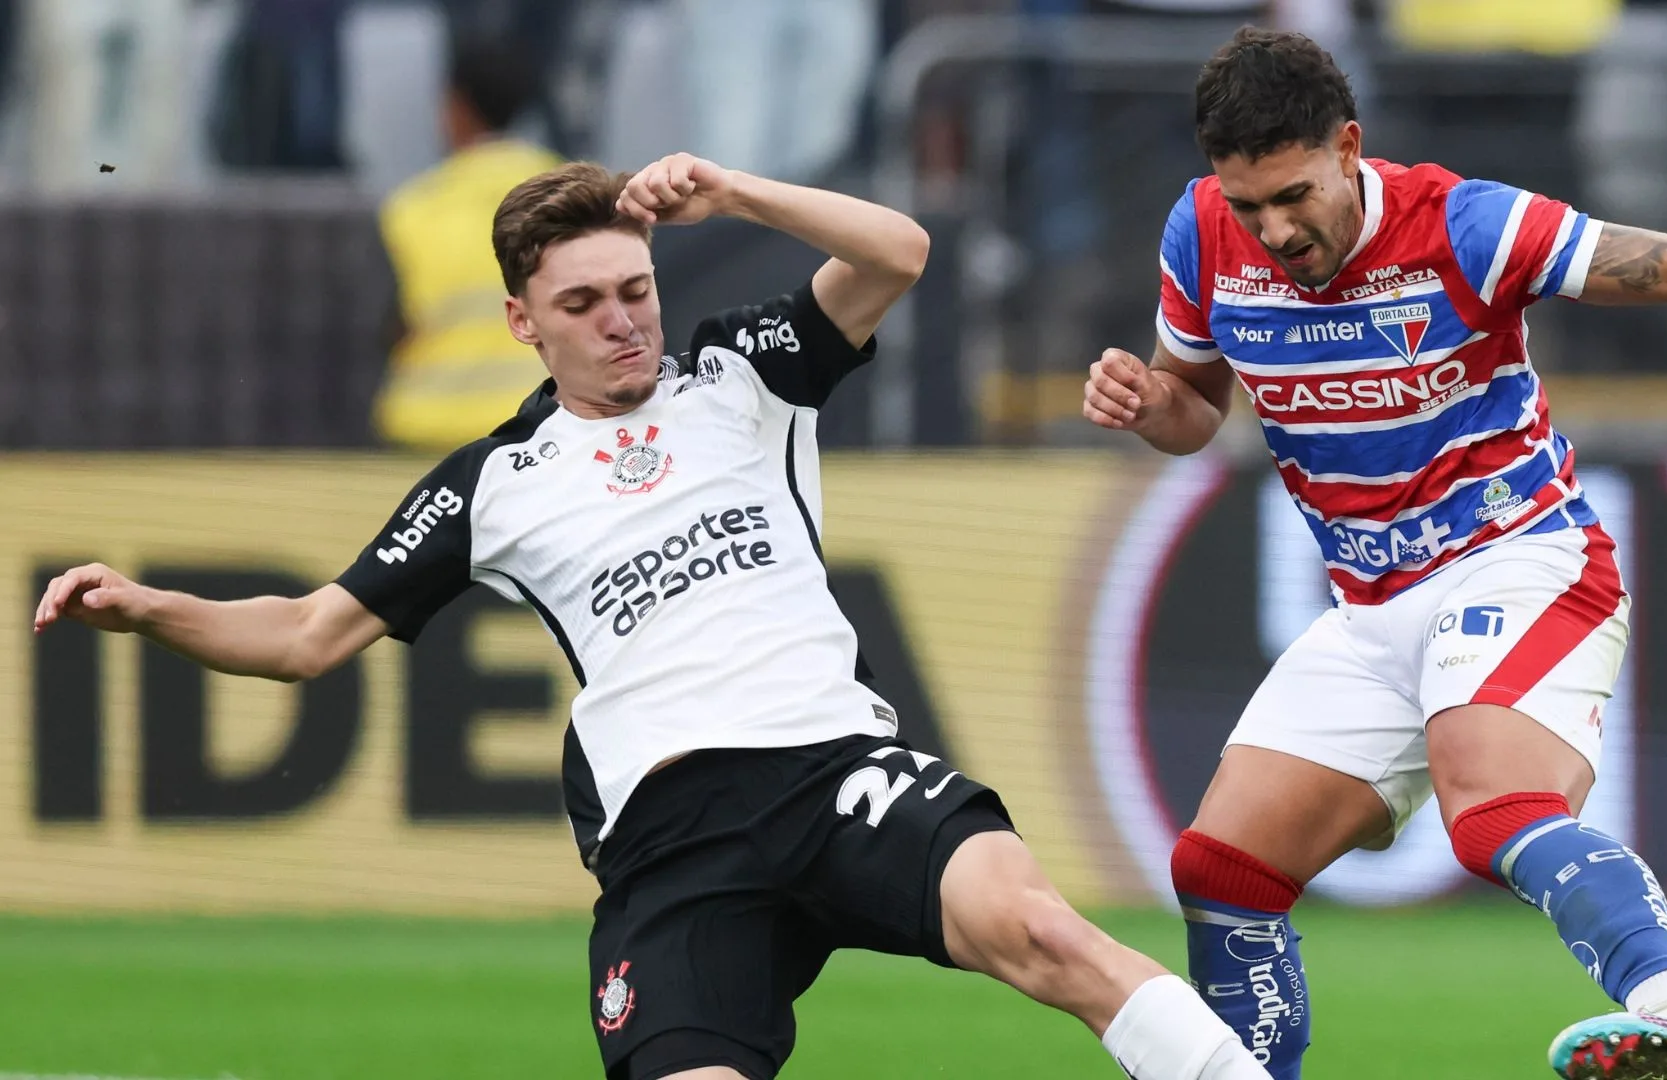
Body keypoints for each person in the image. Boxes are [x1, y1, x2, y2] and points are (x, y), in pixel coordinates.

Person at [35, 154, 1281, 1080]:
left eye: (634, 289)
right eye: (582, 305)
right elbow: (310, 636)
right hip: (673, 841)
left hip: (833, 767)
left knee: (1038, 926)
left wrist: (736, 194)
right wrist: (151, 610)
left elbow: (899, 250)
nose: (624, 319)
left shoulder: (744, 378)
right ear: (524, 324)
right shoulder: (492, 486)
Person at [1082, 28, 1667, 1080]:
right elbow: (1194, 408)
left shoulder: (1464, 224)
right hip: (1371, 605)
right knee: (1222, 868)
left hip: (1522, 560)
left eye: (1294, 196)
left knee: (1494, 816)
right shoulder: (1202, 236)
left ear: (1349, 145)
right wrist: (1148, 403)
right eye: (1250, 206)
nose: (1275, 231)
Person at [373, 35, 564, 453]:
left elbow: (389, 326)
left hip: (427, 432)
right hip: (541, 424)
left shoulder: (413, 208)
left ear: (456, 105)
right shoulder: (571, 197)